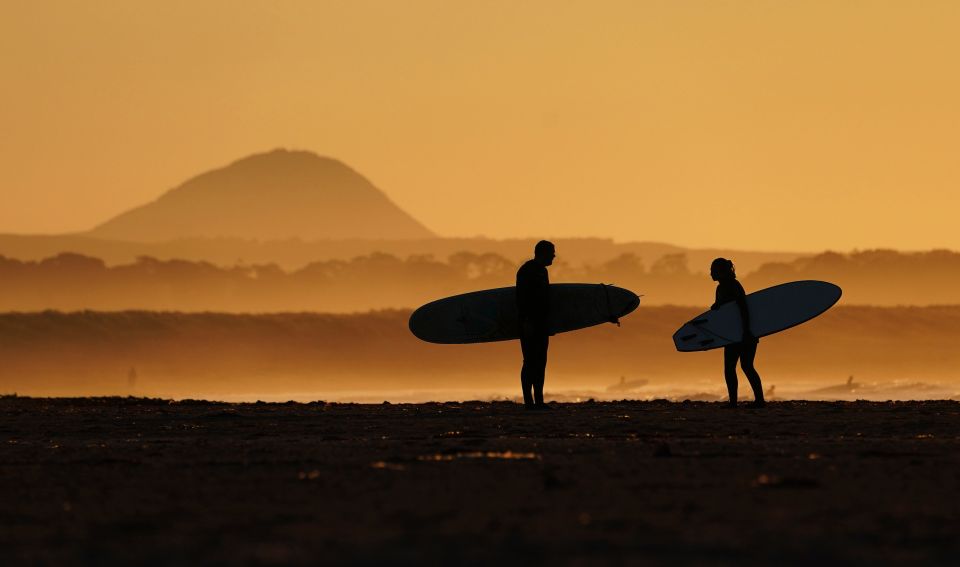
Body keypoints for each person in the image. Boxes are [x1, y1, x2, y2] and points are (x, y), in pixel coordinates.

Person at [710, 257, 765, 408]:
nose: (710, 273)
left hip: (742, 333)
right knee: (741, 366)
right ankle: (740, 401)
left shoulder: (732, 285)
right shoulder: (721, 288)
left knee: (741, 366)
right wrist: (716, 306)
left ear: (720, 272)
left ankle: (754, 401)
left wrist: (746, 331)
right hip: (734, 333)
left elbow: (743, 308)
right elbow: (727, 309)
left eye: (713, 270)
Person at [516, 240, 555, 409]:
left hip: (542, 323)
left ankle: (538, 400)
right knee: (530, 361)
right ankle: (528, 401)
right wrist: (526, 322)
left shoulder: (542, 271)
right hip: (529, 323)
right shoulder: (526, 271)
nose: (554, 255)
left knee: (541, 362)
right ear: (542, 253)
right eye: (552, 252)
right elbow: (522, 299)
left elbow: (545, 300)